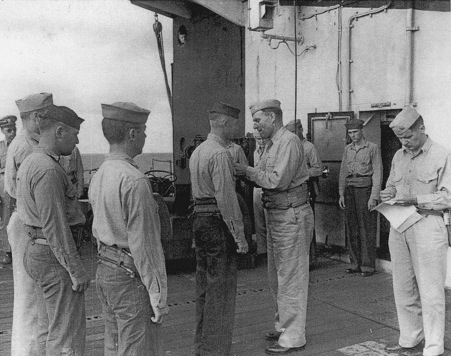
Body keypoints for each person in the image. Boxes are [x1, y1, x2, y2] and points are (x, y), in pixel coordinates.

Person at [89, 102, 168, 355]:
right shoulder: (135, 181)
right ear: (132, 134)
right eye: (143, 130)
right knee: (137, 348)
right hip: (129, 276)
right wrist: (158, 295)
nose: (145, 135)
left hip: (105, 268)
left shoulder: (100, 173)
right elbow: (145, 246)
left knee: (113, 346)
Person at [235, 99, 313, 354]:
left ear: (271, 117)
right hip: (277, 214)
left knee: (291, 276)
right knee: (277, 275)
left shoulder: (288, 141)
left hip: (291, 215)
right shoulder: (270, 144)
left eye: (258, 120)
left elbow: (277, 180)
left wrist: (247, 171)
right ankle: (284, 325)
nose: (255, 126)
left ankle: (293, 337)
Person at [18, 104, 89, 355]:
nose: (77, 139)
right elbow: (56, 227)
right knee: (65, 336)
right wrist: (76, 270)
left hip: (39, 251)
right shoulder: (48, 169)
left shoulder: (32, 161)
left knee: (46, 328)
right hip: (54, 257)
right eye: (74, 133)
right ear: (59, 131)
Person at [380, 106, 450, 356]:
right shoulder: (399, 156)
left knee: (431, 291)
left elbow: (448, 197)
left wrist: (414, 199)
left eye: (408, 136)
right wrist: (388, 193)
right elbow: (390, 185)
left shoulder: (441, 155)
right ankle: (410, 339)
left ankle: (433, 347)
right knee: (402, 286)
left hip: (427, 225)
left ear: (421, 128)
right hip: (399, 225)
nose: (404, 142)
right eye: (400, 138)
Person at [189, 101, 249, 356]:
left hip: (200, 222)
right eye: (234, 123)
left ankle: (202, 348)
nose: (236, 128)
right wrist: (240, 238)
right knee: (222, 291)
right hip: (217, 225)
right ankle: (217, 351)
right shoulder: (221, 154)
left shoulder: (199, 151)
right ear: (224, 122)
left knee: (205, 287)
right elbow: (227, 199)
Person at [5, 92, 52, 355]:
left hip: (25, 222)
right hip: (28, 224)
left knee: (31, 298)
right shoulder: (26, 147)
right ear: (35, 117)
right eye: (46, 115)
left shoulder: (25, 143)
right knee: (32, 298)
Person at [338, 119, 382, 277]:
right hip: (350, 191)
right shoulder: (347, 149)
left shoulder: (372, 148)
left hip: (365, 190)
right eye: (350, 133)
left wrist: (374, 196)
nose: (352, 135)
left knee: (366, 229)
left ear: (362, 130)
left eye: (355, 132)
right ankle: (355, 263)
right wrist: (341, 193)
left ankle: (367, 266)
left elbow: (377, 172)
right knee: (352, 228)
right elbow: (343, 172)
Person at [285, 119, 322, 269]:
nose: (293, 135)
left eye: (295, 131)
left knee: (307, 224)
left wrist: (302, 174)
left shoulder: (309, 147)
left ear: (300, 130)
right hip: (293, 191)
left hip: (308, 189)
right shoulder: (289, 147)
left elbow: (318, 169)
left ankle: (310, 259)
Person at [59, 146, 86, 251]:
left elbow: (79, 170)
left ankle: (74, 247)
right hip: (58, 184)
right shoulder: (54, 148)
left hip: (71, 184)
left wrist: (80, 189)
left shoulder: (74, 149)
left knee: (73, 217)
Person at [0, 115, 17, 265]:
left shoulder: (21, 145)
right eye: (9, 130)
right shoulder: (0, 147)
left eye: (14, 129)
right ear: (2, 131)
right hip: (3, 185)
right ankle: (7, 251)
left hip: (19, 183)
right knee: (5, 219)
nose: (12, 132)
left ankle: (19, 249)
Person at [253, 130, 268, 255]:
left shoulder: (271, 152)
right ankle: (262, 250)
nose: (261, 142)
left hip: (267, 188)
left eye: (262, 138)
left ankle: (271, 251)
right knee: (259, 221)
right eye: (258, 139)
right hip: (257, 189)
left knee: (269, 220)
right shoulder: (255, 153)